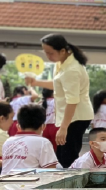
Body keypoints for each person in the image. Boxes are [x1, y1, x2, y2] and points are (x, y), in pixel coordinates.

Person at [25, 34, 93, 168]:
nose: (48, 56)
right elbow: (58, 84)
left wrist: (63, 128)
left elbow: (72, 101)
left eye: (50, 53)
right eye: (45, 53)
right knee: (62, 156)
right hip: (70, 117)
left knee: (67, 158)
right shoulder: (63, 63)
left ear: (62, 51)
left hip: (76, 117)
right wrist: (36, 82)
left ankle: (70, 187)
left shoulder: (72, 69)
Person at [1, 104, 58, 175]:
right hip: (28, 184)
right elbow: (51, 172)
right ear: (43, 127)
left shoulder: (8, 142)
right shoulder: (43, 142)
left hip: (4, 184)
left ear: (18, 126)